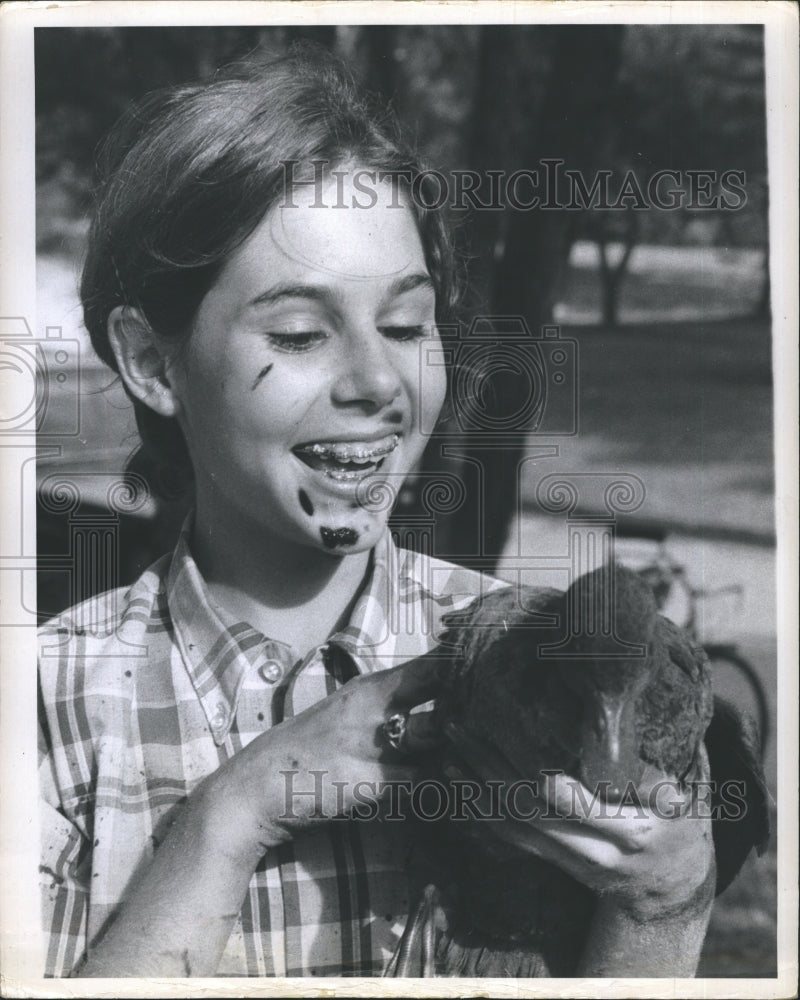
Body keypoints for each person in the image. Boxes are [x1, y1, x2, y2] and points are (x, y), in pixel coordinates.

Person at [38, 49, 715, 979]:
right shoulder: (44, 707)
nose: (377, 382)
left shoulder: (547, 666)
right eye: (301, 335)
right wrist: (232, 817)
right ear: (153, 363)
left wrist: (667, 906)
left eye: (405, 325)